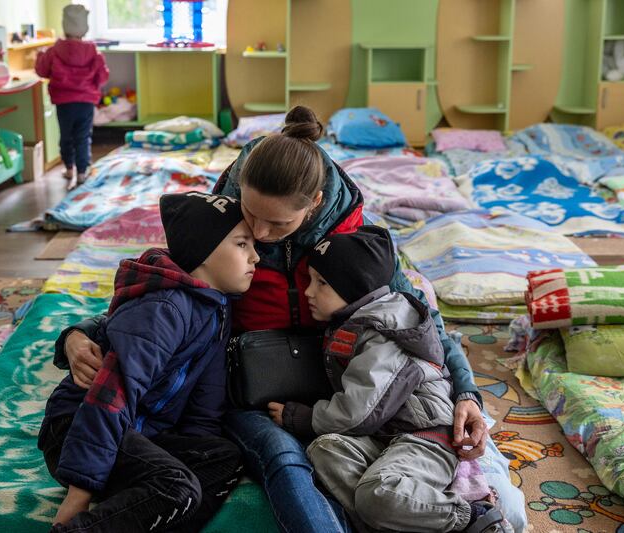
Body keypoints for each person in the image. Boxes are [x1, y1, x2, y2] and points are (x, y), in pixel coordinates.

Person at [56, 106, 489, 533]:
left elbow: (415, 319)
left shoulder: (356, 246)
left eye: (277, 222)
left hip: (343, 387)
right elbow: (165, 291)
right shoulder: (225, 228)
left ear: (315, 204)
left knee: (376, 468)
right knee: (286, 461)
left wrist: (467, 392)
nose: (260, 235)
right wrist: (78, 334)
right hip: (250, 390)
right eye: (252, 216)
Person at [39, 191, 259, 532]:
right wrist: (80, 492)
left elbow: (205, 404)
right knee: (177, 487)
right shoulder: (165, 309)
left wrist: (191, 451)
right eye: (242, 244)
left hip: (138, 431)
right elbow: (113, 394)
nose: (255, 257)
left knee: (223, 457)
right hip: (78, 428)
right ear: (205, 252)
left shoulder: (216, 308)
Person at [268, 226, 506, 533]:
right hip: (389, 435)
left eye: (322, 283)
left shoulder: (384, 330)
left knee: (376, 493)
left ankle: (473, 517)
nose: (309, 292)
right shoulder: (354, 322)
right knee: (325, 449)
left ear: (356, 289)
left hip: (427, 437)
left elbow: (360, 411)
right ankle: (402, 522)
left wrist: (304, 417)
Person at [35, 4, 109, 190]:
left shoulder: (54, 51)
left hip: (64, 102)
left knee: (66, 135)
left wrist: (39, 56)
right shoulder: (92, 51)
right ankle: (82, 173)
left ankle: (69, 168)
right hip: (86, 101)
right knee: (83, 137)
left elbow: (42, 71)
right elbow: (103, 76)